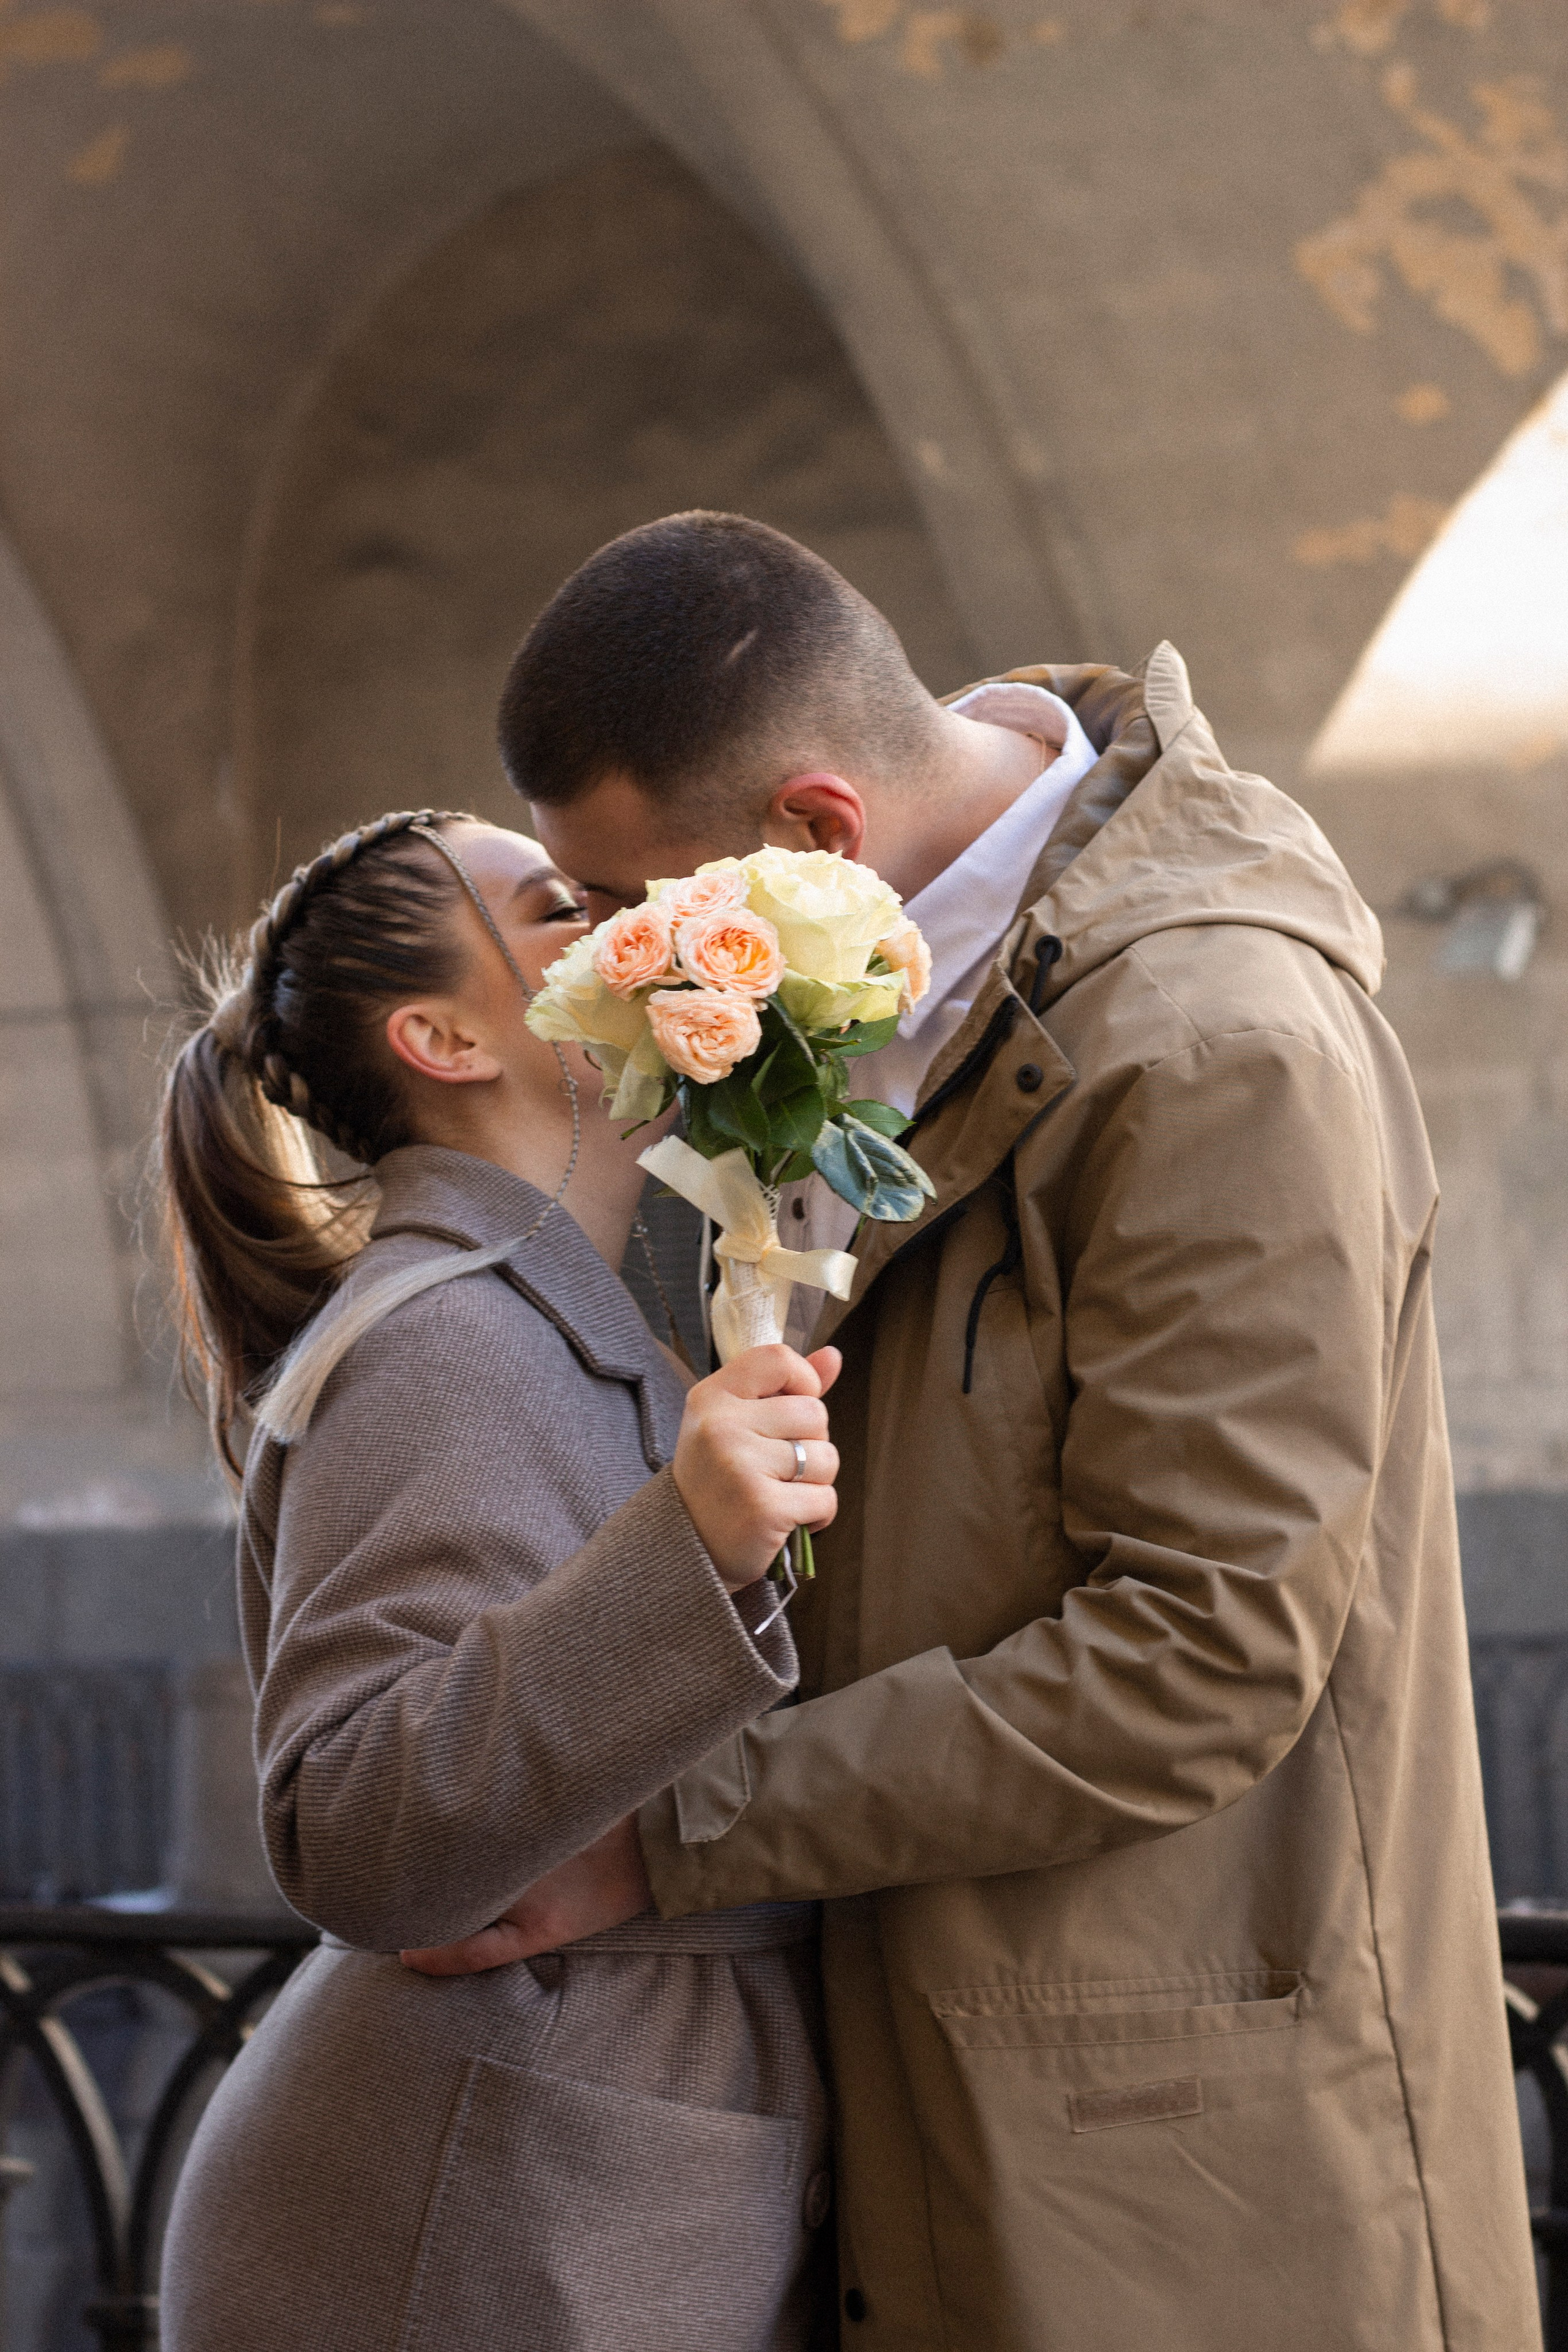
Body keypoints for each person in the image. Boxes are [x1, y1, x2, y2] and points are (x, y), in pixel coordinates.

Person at [421, 513, 1538, 2351]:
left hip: (1187, 2193)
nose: (631, 966)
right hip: (943, 2105)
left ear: (815, 837)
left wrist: (667, 1837)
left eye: (645, 905)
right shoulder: (918, 984)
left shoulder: (1210, 1040)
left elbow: (1205, 1651)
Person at [155, 806, 844, 2352]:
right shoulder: (444, 1338)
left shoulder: (557, 1314)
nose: (629, 921)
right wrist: (690, 1549)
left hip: (561, 2181)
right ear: (444, 1038)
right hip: (475, 2223)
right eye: (554, 908)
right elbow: (354, 1832)